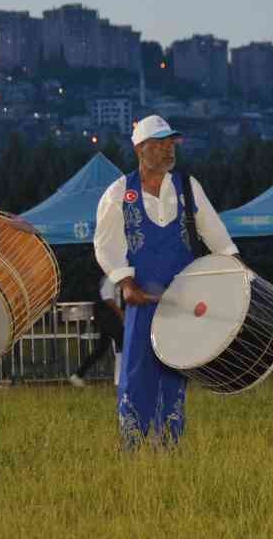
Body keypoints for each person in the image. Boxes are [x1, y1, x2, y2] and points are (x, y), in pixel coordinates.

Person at [93, 114, 237, 449]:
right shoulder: (119, 192)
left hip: (182, 296)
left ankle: (170, 441)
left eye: (171, 143)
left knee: (176, 371)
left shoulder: (187, 186)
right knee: (137, 370)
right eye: (159, 144)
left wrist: (235, 267)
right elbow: (105, 244)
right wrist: (126, 284)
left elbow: (214, 231)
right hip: (142, 297)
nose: (168, 150)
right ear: (141, 149)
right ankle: (133, 443)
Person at [68, 274, 123, 387]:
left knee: (101, 349)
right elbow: (108, 299)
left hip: (107, 318)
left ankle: (78, 375)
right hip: (109, 317)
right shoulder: (110, 279)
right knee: (124, 346)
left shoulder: (111, 279)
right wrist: (121, 314)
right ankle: (124, 378)